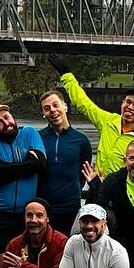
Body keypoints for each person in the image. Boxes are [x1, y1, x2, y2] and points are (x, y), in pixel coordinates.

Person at [51, 59, 134, 177]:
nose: (130, 107)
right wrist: (66, 75)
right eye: (128, 102)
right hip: (100, 187)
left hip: (126, 189)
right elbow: (84, 104)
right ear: (122, 103)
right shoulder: (108, 121)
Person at [0, 104, 48, 245]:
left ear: (12, 116)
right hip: (1, 214)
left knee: (27, 259)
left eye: (6, 117)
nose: (5, 123)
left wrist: (4, 167)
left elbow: (40, 165)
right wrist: (28, 165)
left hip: (29, 213)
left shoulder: (29, 133)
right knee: (3, 259)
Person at [36, 89, 93, 232]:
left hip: (70, 206)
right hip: (43, 206)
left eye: (56, 105)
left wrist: (72, 190)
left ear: (65, 107)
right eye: (47, 108)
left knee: (69, 248)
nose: (53, 110)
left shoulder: (81, 140)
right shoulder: (37, 138)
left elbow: (83, 174)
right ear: (43, 113)